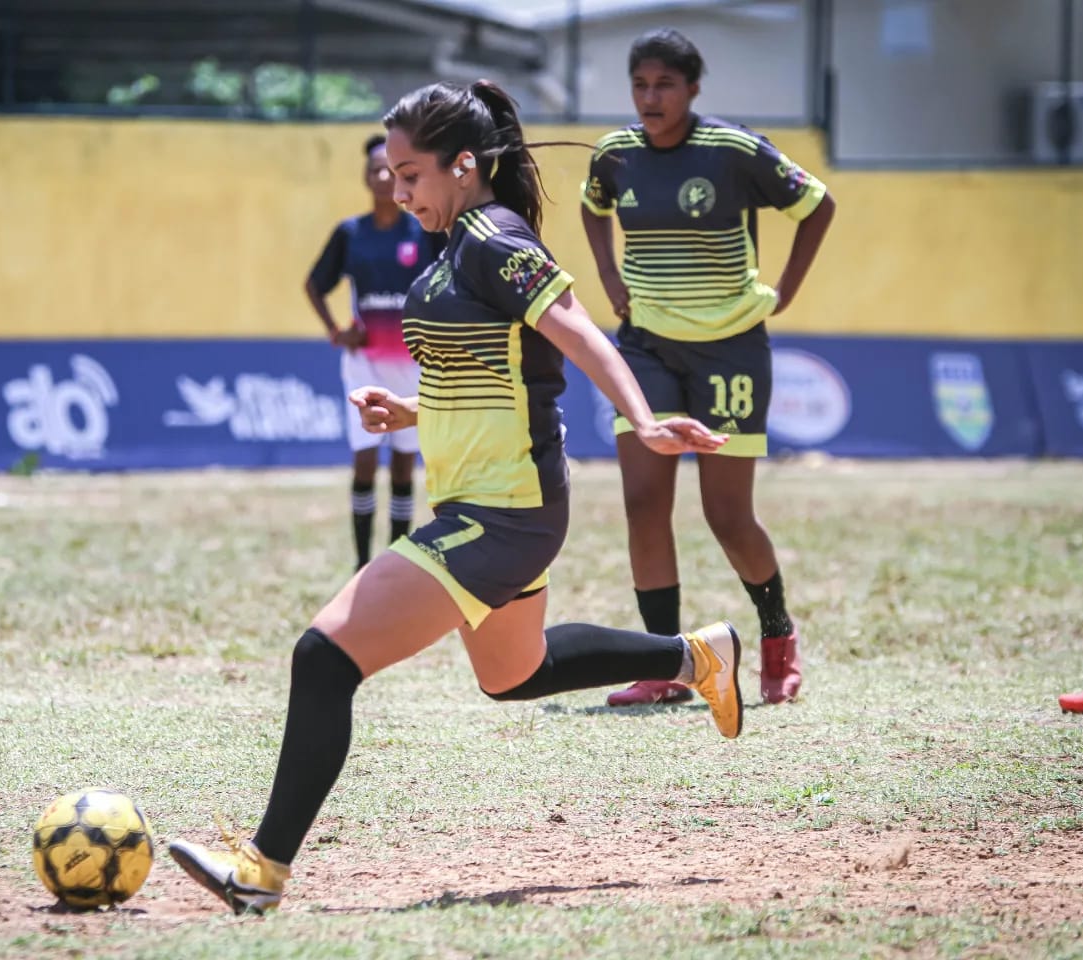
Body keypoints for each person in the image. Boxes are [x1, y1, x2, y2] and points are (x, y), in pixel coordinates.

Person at [168, 80, 742, 916]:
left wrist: (643, 417)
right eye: (392, 176)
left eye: (411, 174)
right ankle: (696, 657)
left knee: (323, 659)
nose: (398, 192)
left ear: (464, 165)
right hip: (485, 503)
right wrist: (409, 408)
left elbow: (577, 328)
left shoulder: (493, 237)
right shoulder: (452, 243)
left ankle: (261, 870)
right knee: (516, 674)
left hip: (504, 513)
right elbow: (490, 374)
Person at [580, 29, 836, 708]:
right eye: (640, 84)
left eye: (665, 84)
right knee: (642, 504)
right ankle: (669, 665)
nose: (650, 97)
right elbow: (591, 204)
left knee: (726, 514)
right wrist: (607, 272)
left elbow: (818, 206)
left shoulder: (734, 151)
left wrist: (787, 287)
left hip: (730, 347)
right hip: (646, 347)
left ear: (694, 88)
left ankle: (777, 634)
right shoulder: (616, 154)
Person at [305, 135, 443, 570]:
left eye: (392, 169)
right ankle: (362, 564)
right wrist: (335, 331)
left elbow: (448, 282)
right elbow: (315, 284)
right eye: (374, 170)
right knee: (365, 462)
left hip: (412, 365)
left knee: (404, 465)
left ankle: (395, 562)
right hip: (363, 364)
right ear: (364, 177)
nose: (383, 177)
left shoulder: (424, 230)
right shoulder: (351, 233)